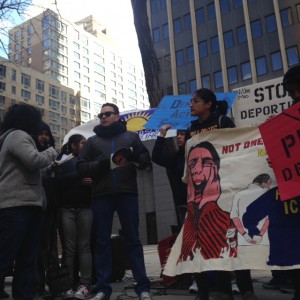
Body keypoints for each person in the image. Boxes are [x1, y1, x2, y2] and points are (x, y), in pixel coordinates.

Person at [77, 103, 153, 300]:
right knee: (102, 242)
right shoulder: (92, 141)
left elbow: (146, 160)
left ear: (117, 116)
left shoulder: (131, 137)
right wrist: (104, 163)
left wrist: (134, 155)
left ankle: (143, 287)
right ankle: (103, 288)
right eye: (100, 114)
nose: (103, 117)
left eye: (107, 114)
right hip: (101, 196)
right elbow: (81, 167)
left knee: (134, 240)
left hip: (127, 193)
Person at [186, 88, 256, 300]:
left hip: (228, 187)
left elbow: (236, 151)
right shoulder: (191, 129)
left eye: (195, 101)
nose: (191, 105)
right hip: (204, 194)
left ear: (208, 104)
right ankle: (223, 290)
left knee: (233, 240)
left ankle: (246, 290)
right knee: (214, 241)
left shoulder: (224, 121)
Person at [0, 104, 57, 299]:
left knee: (26, 260)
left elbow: (29, 168)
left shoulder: (11, 137)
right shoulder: (18, 135)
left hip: (26, 205)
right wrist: (52, 152)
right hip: (18, 206)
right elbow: (33, 160)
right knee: (9, 257)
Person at [55, 134, 93, 300]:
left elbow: (94, 179)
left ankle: (85, 284)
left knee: (84, 247)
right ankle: (68, 285)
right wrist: (79, 179)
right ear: (73, 145)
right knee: (69, 249)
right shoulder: (62, 160)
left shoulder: (89, 160)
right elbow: (59, 181)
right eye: (82, 143)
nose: (85, 145)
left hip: (85, 207)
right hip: (67, 209)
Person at [33, 122, 61, 299]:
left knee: (50, 247)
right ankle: (38, 285)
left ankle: (54, 284)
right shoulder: (32, 151)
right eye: (40, 134)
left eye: (46, 134)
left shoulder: (52, 152)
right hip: (37, 204)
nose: (44, 137)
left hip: (52, 203)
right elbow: (37, 168)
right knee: (38, 247)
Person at [151, 124, 187, 229]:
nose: (178, 137)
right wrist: (162, 135)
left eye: (183, 134)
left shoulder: (200, 154)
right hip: (183, 202)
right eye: (178, 134)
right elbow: (156, 157)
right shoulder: (176, 157)